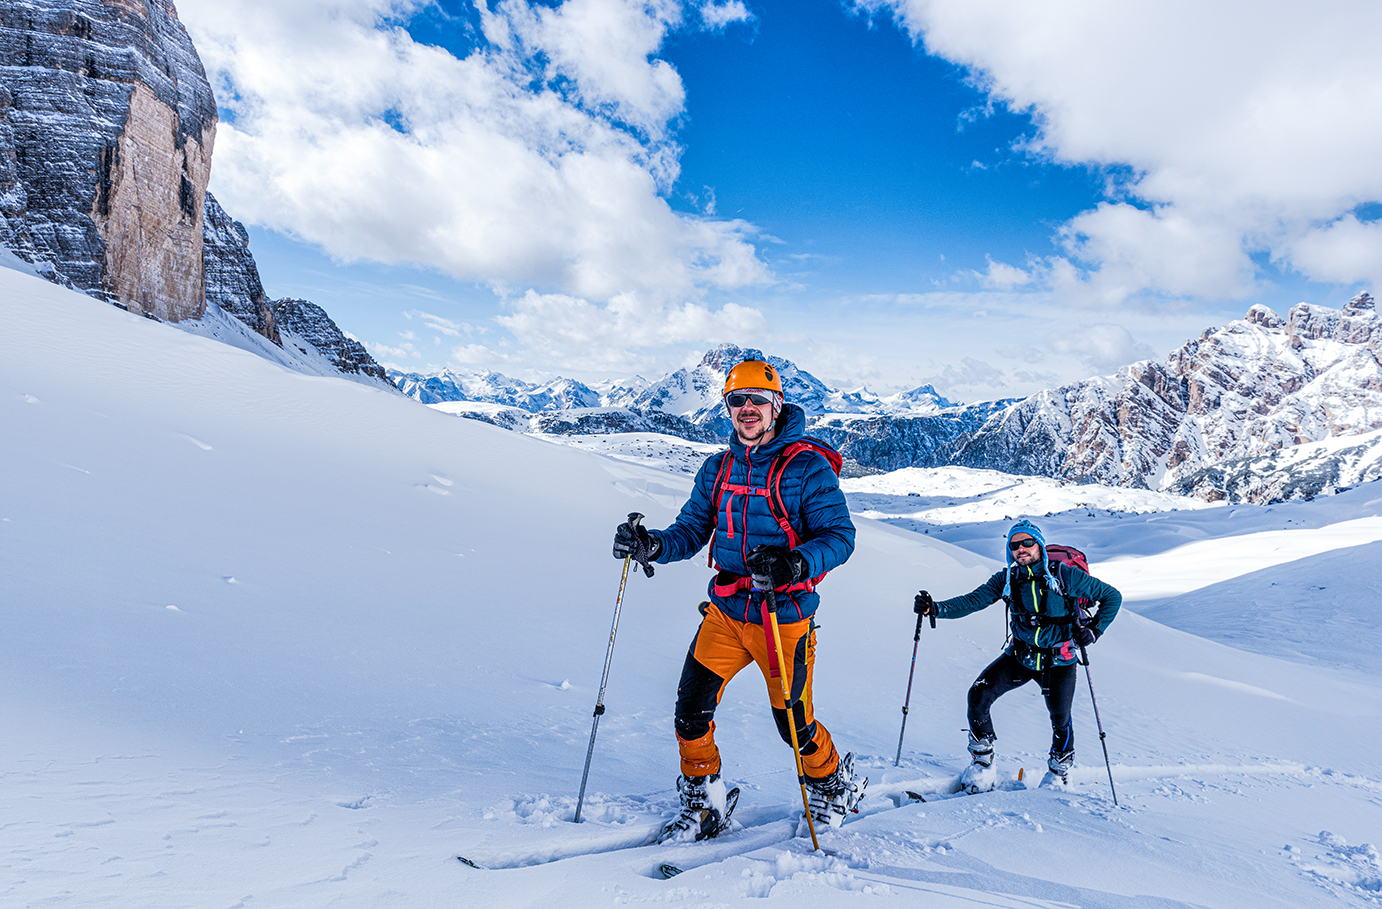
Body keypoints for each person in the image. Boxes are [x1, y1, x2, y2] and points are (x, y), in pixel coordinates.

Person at [612, 358, 863, 842]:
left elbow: (840, 537)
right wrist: (652, 546)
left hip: (782, 615)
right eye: (737, 401)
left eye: (757, 401)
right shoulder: (717, 468)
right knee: (690, 712)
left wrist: (794, 563)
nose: (747, 409)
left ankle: (831, 785)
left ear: (776, 406)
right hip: (727, 613)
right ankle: (705, 802)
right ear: (728, 407)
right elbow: (691, 530)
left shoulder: (807, 468)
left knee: (795, 727)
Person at [913, 519, 1121, 790]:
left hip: (1059, 660)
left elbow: (1112, 597)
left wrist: (1095, 630)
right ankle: (982, 763)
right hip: (1020, 656)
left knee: (1060, 719)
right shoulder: (1007, 578)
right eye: (1014, 545)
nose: (1020, 549)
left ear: (1039, 545)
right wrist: (935, 609)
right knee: (978, 696)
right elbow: (974, 600)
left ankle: (1059, 772)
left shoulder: (1065, 576)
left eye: (1027, 543)